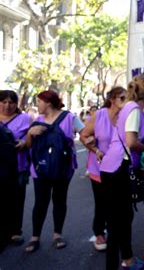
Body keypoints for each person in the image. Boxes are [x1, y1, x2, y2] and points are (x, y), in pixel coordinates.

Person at [99, 75, 144, 270]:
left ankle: (128, 260)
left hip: (111, 168)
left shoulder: (132, 108)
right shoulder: (133, 111)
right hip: (118, 170)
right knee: (117, 224)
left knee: (123, 218)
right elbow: (131, 142)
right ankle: (115, 265)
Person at [24, 90, 84, 253]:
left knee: (59, 200)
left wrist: (91, 142)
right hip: (40, 169)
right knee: (40, 202)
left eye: (39, 101)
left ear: (48, 102)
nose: (37, 105)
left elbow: (84, 133)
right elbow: (28, 145)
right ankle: (34, 237)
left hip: (63, 168)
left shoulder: (70, 118)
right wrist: (30, 133)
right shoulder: (37, 121)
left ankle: (58, 234)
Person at [79, 86, 127, 251]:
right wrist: (96, 149)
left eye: (127, 98)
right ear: (112, 99)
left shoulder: (127, 116)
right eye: (122, 98)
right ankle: (99, 231)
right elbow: (84, 135)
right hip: (98, 167)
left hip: (120, 169)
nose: (125, 101)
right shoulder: (99, 115)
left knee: (118, 204)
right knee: (102, 202)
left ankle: (116, 233)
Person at [0, 90, 31, 251]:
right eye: (3, 102)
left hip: (18, 166)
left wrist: (24, 142)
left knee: (16, 199)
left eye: (11, 102)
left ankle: (14, 231)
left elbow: (32, 137)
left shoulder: (25, 118)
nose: (7, 105)